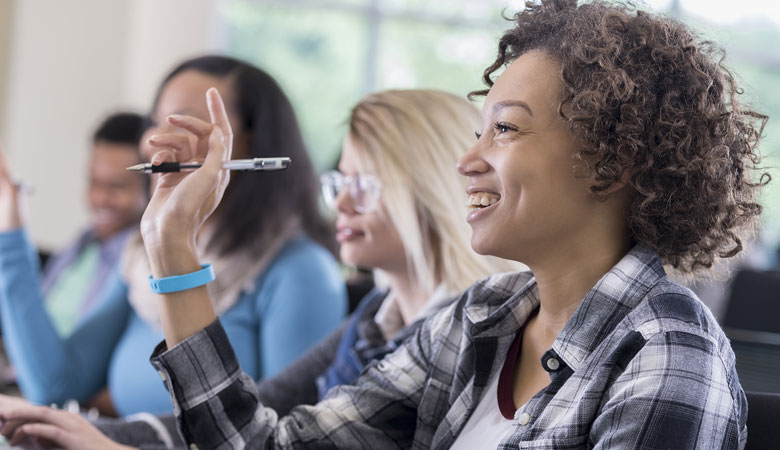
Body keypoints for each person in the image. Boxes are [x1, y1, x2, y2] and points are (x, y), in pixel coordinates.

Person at [2, 0, 768, 448]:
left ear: (612, 161)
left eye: (505, 129)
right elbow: (264, 444)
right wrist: (172, 240)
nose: (467, 161)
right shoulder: (478, 322)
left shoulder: (669, 359)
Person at [0, 89, 521, 449]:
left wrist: (173, 241)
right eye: (337, 184)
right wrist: (84, 433)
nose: (339, 206)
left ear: (426, 188)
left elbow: (251, 438)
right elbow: (259, 412)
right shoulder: (372, 317)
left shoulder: (455, 333)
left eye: (362, 184)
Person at [0, 55, 346, 417]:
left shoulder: (303, 272)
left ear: (246, 144)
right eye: (154, 123)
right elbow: (54, 385)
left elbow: (280, 436)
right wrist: (9, 229)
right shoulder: (142, 257)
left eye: (183, 123)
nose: (153, 143)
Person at [28, 112, 149, 338]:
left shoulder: (139, 265)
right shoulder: (82, 243)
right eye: (94, 182)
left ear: (151, 188)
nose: (99, 198)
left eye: (116, 187)